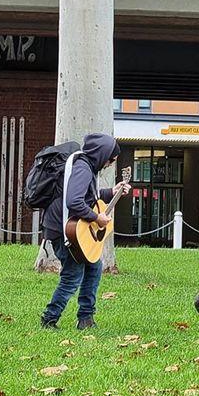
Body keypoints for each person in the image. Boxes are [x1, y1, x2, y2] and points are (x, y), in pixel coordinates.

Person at [41, 132, 130, 330]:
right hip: (65, 229)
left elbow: (88, 196)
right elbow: (74, 202)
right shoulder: (83, 168)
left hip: (65, 226)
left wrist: (111, 193)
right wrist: (97, 217)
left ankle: (86, 318)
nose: (109, 164)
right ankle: (49, 318)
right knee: (72, 276)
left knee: (94, 267)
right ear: (102, 154)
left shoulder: (85, 165)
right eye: (110, 159)